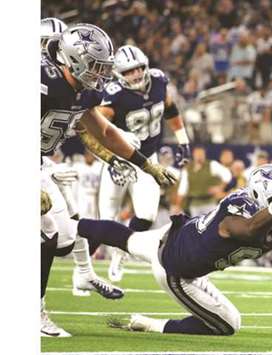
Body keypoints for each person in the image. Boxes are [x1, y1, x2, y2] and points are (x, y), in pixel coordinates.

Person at [76, 165, 272, 336]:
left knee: (127, 239)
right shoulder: (239, 209)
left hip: (175, 238)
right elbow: (247, 229)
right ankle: (152, 324)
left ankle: (71, 224)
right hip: (176, 268)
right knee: (228, 326)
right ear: (262, 197)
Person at [41, 23, 176, 337]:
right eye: (97, 67)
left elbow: (103, 131)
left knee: (61, 242)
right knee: (45, 235)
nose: (102, 75)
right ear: (74, 60)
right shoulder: (43, 80)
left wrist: (146, 166)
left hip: (38, 161)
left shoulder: (85, 90)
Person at [94, 45, 191, 283]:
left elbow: (171, 110)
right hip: (119, 161)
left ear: (146, 66)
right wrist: (111, 158)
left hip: (148, 161)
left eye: (138, 69)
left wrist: (183, 142)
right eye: (128, 72)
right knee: (107, 218)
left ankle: (119, 254)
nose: (136, 75)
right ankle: (83, 269)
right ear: (119, 74)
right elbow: (95, 130)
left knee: (146, 216)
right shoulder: (113, 94)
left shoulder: (159, 81)